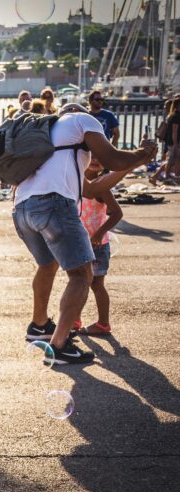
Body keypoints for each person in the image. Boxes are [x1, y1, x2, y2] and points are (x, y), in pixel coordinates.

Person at [12, 102, 156, 364]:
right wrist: (140, 153)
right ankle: (59, 345)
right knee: (82, 274)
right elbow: (113, 158)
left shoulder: (50, 135)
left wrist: (135, 162)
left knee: (48, 264)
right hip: (54, 205)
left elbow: (91, 189)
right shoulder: (81, 120)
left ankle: (39, 326)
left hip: (22, 208)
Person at [76, 158, 126, 337]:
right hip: (79, 243)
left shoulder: (101, 188)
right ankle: (74, 318)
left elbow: (117, 213)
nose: (95, 160)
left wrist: (99, 232)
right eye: (92, 156)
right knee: (78, 282)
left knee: (97, 284)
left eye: (101, 157)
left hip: (97, 245)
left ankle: (103, 324)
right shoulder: (76, 182)